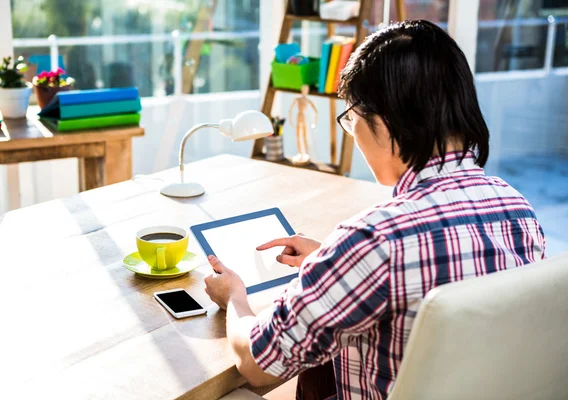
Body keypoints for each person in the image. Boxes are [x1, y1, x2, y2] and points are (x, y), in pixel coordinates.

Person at [204, 20, 546, 400]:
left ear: (381, 122)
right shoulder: (517, 209)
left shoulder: (376, 239)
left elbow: (257, 364)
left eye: (350, 119)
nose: (353, 130)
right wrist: (331, 262)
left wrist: (234, 295)